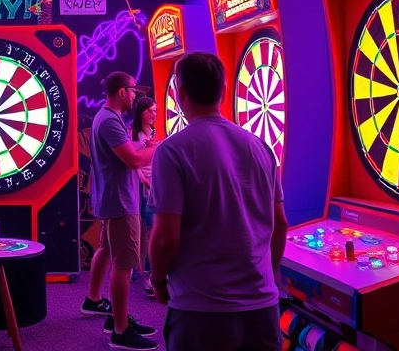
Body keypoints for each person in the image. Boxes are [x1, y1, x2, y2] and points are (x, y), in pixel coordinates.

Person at [148, 53, 287, 351]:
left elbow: (164, 239)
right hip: (262, 308)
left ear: (180, 92)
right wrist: (266, 278)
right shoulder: (261, 147)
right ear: (223, 90)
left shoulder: (172, 151)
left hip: (201, 310)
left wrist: (158, 280)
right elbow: (281, 224)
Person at [82, 71, 159, 350]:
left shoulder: (107, 117)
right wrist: (161, 147)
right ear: (121, 92)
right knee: (124, 265)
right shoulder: (110, 121)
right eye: (133, 91)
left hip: (112, 199)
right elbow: (134, 160)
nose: (136, 95)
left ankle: (112, 313)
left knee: (110, 252)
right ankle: (120, 330)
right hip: (121, 202)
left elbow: (129, 154)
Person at [131, 96, 157, 298]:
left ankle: (147, 272)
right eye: (151, 111)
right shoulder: (134, 134)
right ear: (142, 112)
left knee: (153, 231)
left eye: (155, 110)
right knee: (153, 229)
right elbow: (132, 163)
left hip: (156, 188)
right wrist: (143, 180)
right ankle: (148, 274)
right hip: (144, 190)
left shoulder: (153, 133)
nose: (155, 114)